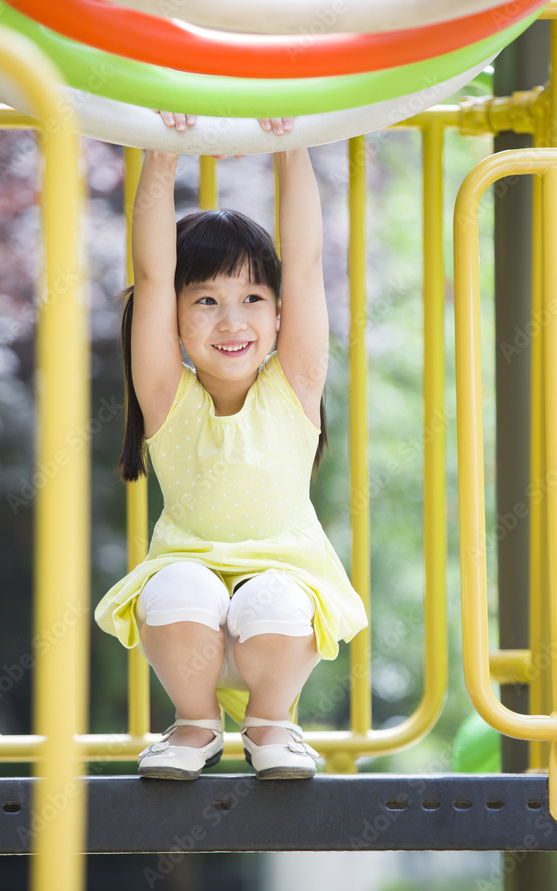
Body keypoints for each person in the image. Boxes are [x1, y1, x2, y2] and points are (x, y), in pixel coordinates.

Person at [94, 113, 368, 780]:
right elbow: (154, 275)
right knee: (178, 583)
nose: (232, 320)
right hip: (186, 619)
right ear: (176, 320)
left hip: (278, 615)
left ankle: (273, 725)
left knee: (271, 596)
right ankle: (195, 726)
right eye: (207, 301)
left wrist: (291, 148)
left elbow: (301, 266)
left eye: (251, 297)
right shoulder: (166, 395)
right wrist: (161, 160)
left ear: (277, 314)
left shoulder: (295, 384)